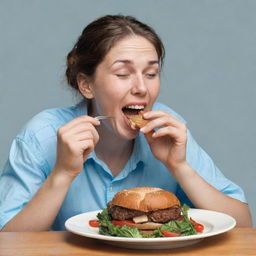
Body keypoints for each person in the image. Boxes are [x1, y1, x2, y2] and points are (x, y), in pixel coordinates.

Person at [0, 15, 252, 231]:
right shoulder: (41, 135)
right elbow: (8, 241)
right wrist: (63, 174)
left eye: (151, 74)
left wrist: (180, 166)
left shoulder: (167, 129)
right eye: (123, 74)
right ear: (86, 84)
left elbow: (243, 225)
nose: (142, 87)